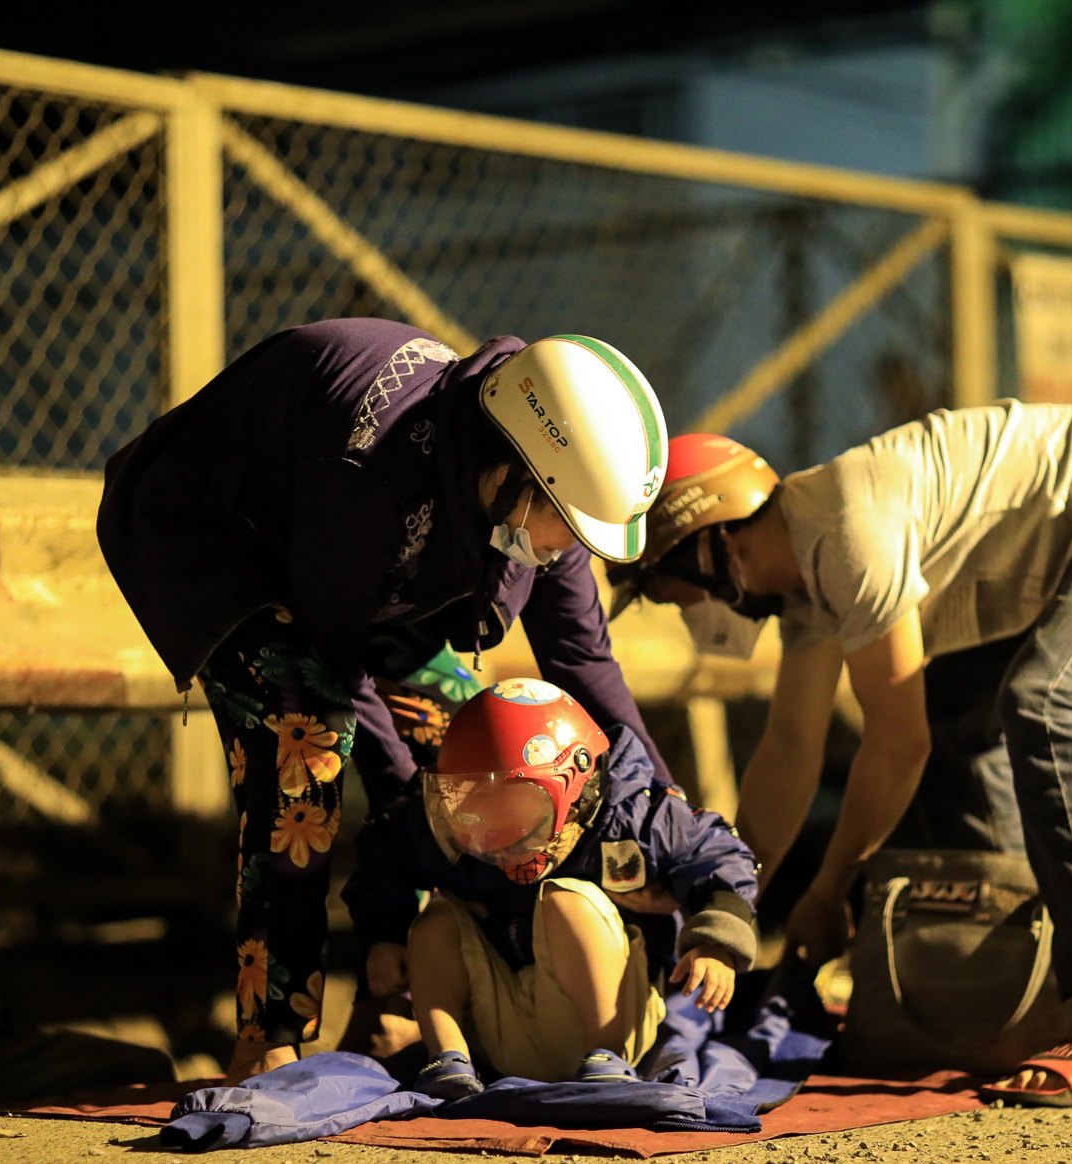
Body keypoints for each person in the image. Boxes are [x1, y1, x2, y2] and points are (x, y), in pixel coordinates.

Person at [612, 408, 1072, 1106]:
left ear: (708, 544)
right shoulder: (808, 583)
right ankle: (1024, 987)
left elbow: (897, 744)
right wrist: (729, 901)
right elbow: (790, 750)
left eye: (660, 586)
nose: (672, 605)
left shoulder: (847, 529)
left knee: (1049, 705)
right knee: (957, 720)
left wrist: (828, 891)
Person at [97, 320, 674, 1082]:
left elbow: (582, 658)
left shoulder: (543, 496)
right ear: (513, 474)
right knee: (305, 737)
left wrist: (664, 805)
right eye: (565, 528)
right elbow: (335, 658)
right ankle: (269, 1039)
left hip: (357, 575)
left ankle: (390, 1003)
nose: (568, 547)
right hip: (222, 542)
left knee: (480, 748)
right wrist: (411, 803)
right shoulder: (372, 466)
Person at [342, 680, 758, 1096]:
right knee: (438, 917)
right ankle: (447, 1059)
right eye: (479, 812)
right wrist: (385, 936)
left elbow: (719, 852)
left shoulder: (637, 817)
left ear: (579, 789)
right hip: (496, 1032)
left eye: (524, 811)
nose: (500, 842)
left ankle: (608, 1055)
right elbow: (388, 850)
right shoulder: (448, 832)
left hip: (616, 1025)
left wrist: (716, 943)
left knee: (566, 899)